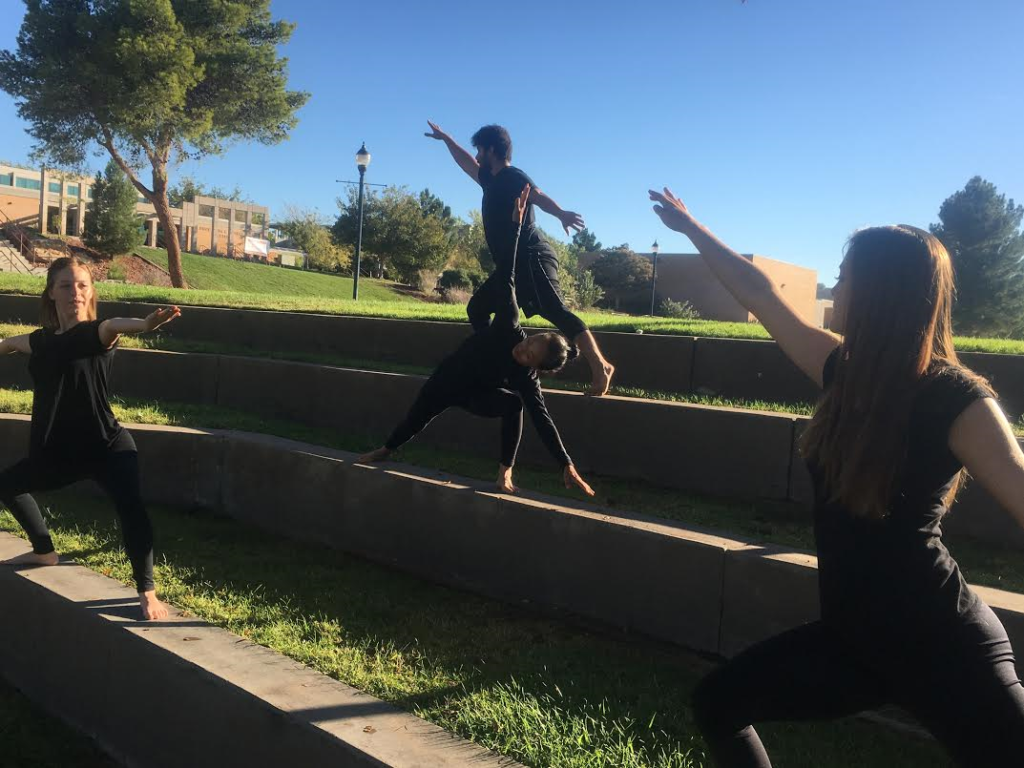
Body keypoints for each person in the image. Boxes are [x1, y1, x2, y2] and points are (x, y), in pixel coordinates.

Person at [650, 187, 1024, 767]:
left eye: (845, 275)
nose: (836, 285)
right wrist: (693, 229)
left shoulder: (958, 399)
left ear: (881, 292)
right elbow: (761, 294)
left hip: (943, 645)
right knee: (719, 701)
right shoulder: (843, 372)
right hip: (854, 643)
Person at [360, 186, 595, 498]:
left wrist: (566, 463)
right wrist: (515, 224)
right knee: (414, 421)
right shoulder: (509, 325)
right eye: (529, 343)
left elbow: (543, 420)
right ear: (535, 334)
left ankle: (504, 473)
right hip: (448, 378)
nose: (521, 350)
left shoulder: (526, 379)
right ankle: (386, 450)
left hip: (477, 396)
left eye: (528, 357)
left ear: (537, 368)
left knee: (515, 405)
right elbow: (508, 272)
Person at [0, 256, 180, 621]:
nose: (75, 293)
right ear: (51, 293)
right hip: (60, 450)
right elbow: (7, 343)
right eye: (65, 286)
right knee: (7, 485)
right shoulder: (41, 341)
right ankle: (44, 551)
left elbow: (115, 324)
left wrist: (145, 324)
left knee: (130, 508)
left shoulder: (96, 332)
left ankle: (147, 592)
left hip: (106, 445)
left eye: (82, 285)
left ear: (91, 292)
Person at [425, 120, 615, 396]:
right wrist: (446, 140)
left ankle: (600, 366)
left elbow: (536, 195)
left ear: (491, 149)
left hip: (530, 256)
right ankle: (500, 362)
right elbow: (466, 163)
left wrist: (561, 213)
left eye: (479, 149)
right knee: (477, 309)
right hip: (510, 265)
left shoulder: (513, 176)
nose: (476, 155)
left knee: (554, 310)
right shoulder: (490, 180)